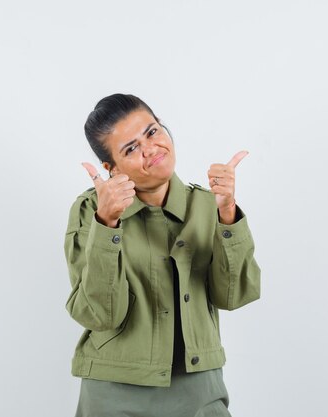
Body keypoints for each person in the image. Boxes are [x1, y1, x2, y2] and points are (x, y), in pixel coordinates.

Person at [64, 93, 261, 417]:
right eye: (130, 148)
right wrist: (107, 223)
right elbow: (101, 315)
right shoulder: (91, 211)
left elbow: (234, 295)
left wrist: (227, 214)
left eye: (153, 131)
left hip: (200, 390)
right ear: (110, 168)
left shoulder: (208, 204)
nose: (151, 149)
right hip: (115, 393)